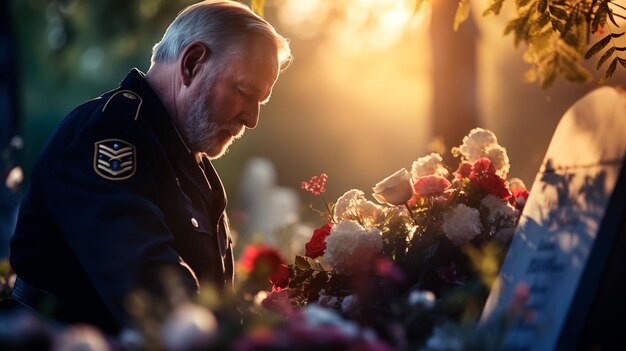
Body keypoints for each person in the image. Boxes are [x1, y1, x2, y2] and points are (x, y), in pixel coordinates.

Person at [7, 0, 291, 333]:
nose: (252, 119)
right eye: (244, 92)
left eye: (261, 102)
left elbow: (213, 294)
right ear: (192, 63)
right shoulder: (107, 135)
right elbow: (148, 282)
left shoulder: (189, 161)